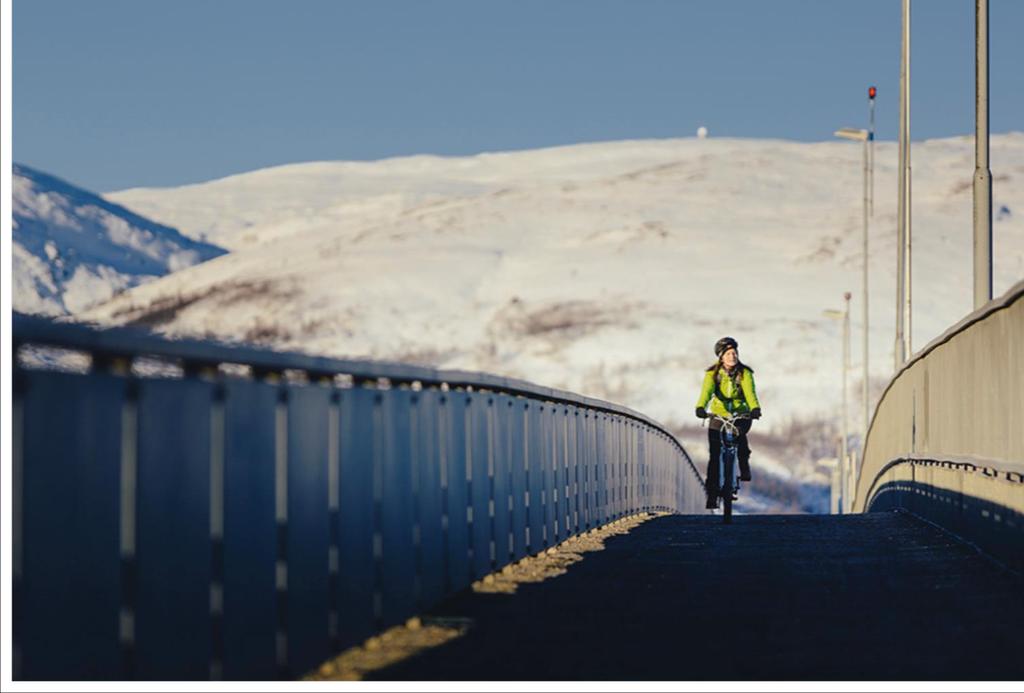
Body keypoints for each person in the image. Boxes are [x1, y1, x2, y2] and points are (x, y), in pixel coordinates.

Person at [695, 337, 762, 509]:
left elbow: (750, 394)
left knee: (739, 434)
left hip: (741, 415)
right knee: (715, 455)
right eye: (729, 353)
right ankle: (712, 494)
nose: (733, 356)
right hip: (718, 415)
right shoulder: (712, 375)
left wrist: (755, 409)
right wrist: (701, 407)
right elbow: (706, 393)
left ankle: (743, 462)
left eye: (735, 353)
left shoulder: (745, 373)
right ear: (721, 357)